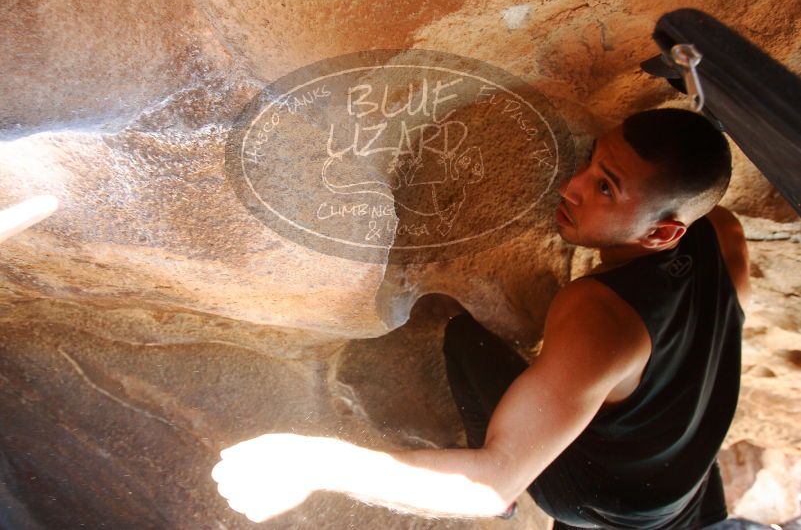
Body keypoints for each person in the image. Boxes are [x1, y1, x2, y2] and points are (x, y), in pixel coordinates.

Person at [212, 108, 751, 529]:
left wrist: (312, 463)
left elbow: (491, 482)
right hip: (686, 479)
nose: (573, 185)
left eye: (605, 187)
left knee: (463, 339)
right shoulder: (721, 232)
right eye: (591, 160)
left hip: (600, 498)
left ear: (661, 234)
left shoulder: (599, 314)